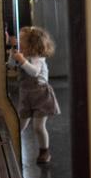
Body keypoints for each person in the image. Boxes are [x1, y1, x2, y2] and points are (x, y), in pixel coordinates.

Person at [8, 26, 61, 165]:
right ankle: (11, 147)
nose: (19, 42)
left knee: (38, 127)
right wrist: (13, 52)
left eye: (21, 41)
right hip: (26, 95)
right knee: (20, 125)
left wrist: (22, 60)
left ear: (31, 43)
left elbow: (34, 72)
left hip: (41, 96)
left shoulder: (38, 59)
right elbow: (10, 65)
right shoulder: (21, 55)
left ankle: (44, 151)